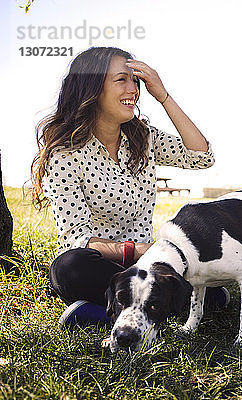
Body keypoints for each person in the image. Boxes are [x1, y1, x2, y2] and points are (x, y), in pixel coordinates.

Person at [31, 47, 229, 328]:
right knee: (68, 267)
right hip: (101, 265)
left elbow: (201, 156)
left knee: (215, 294)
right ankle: (158, 309)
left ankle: (97, 314)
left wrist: (163, 95)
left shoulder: (143, 137)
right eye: (122, 79)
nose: (133, 89)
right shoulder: (65, 154)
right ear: (92, 88)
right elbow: (77, 239)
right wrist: (139, 250)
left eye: (135, 81)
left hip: (148, 267)